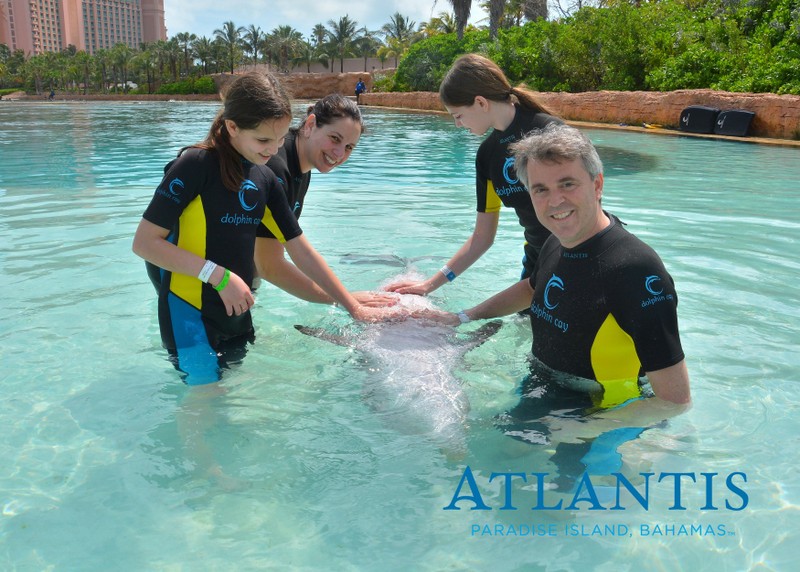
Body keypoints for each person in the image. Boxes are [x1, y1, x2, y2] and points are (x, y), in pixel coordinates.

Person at [426, 124, 690, 484]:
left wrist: (586, 426)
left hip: (603, 408)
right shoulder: (557, 240)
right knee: (469, 456)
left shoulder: (636, 271)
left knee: (555, 503)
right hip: (545, 388)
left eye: (567, 184)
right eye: (541, 189)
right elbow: (533, 288)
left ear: (597, 185)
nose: (555, 202)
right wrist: (462, 317)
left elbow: (675, 399)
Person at [132, 72, 400, 385]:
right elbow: (144, 243)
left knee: (233, 393)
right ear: (233, 127)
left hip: (236, 313)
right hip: (188, 312)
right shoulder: (194, 165)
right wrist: (218, 276)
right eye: (263, 140)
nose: (273, 150)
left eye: (280, 139)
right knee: (205, 401)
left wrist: (352, 306)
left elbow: (300, 250)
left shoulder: (266, 178)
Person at [386, 54, 562, 296]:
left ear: (480, 102)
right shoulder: (488, 155)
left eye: (458, 116)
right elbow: (482, 237)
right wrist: (428, 286)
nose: (458, 125)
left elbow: (587, 206)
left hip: (576, 256)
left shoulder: (551, 133)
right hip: (536, 263)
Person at [255, 94, 394, 307]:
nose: (339, 154)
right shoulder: (276, 167)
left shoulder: (301, 166)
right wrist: (347, 300)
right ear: (311, 124)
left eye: (349, 147)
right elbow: (269, 265)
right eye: (335, 138)